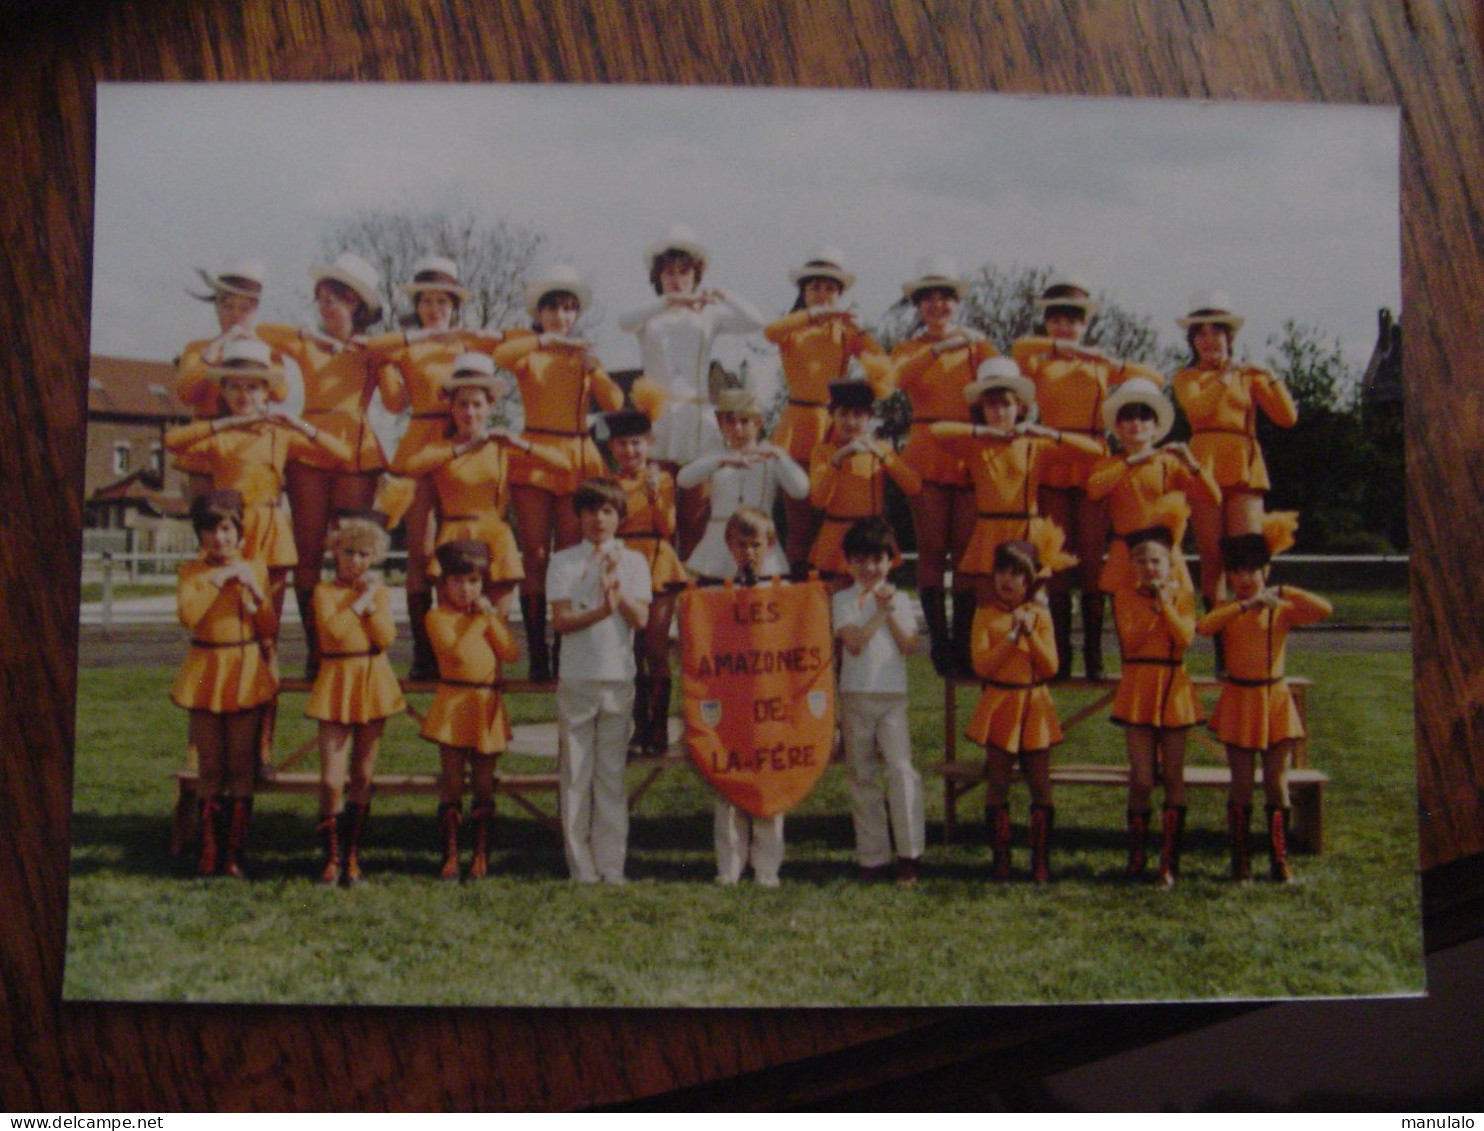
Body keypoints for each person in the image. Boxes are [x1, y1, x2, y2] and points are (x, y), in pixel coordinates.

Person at [370, 256, 531, 680]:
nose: (435, 309)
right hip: (423, 441)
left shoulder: (468, 346)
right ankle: (425, 654)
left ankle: (479, 650)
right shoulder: (410, 342)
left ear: (455, 305)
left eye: (443, 301)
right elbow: (372, 349)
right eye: (427, 301)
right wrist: (420, 335)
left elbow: (520, 340)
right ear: (418, 305)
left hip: (467, 441)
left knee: (466, 542)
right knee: (423, 553)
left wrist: (480, 333)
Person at [256, 252, 405, 679]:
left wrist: (383, 356)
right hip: (308, 451)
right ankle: (316, 647)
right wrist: (308, 335)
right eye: (320, 299)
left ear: (355, 303)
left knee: (351, 551)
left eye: (333, 299)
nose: (325, 307)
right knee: (306, 553)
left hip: (357, 453)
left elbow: (396, 403)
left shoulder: (372, 350)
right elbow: (264, 332)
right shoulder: (308, 341)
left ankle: (352, 641)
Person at [1012, 273, 1160, 679]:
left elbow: (1154, 379)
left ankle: (1094, 653)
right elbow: (1018, 348)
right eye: (1057, 319)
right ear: (1048, 323)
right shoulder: (1040, 362)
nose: (1065, 326)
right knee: (1055, 561)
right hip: (1054, 461)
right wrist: (1061, 346)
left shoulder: (1099, 365)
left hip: (1094, 459)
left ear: (1086, 323)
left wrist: (1115, 363)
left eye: (1073, 320)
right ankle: (1061, 653)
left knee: (1093, 561)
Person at [493, 264, 626, 682]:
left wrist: (596, 368)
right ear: (540, 313)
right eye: (552, 309)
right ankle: (538, 653)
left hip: (577, 454)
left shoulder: (582, 353)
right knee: (534, 554)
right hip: (534, 453)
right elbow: (500, 357)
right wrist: (543, 339)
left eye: (568, 310)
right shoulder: (527, 345)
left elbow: (615, 402)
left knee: (572, 553)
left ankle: (567, 642)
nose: (561, 317)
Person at [927, 358, 1098, 661]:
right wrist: (982, 432)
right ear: (982, 409)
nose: (999, 411)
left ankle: (1046, 663)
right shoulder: (975, 445)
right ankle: (982, 663)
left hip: (1026, 530)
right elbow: (937, 432)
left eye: (1006, 404)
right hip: (989, 530)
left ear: (1019, 407)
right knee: (989, 607)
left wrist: (1047, 432)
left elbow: (1093, 451)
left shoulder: (1035, 444)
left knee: (1033, 605)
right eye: (991, 405)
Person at [621, 224, 765, 557]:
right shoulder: (651, 315)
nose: (676, 279)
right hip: (659, 420)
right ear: (658, 276)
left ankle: (693, 595)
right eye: (669, 273)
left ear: (695, 275)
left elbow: (755, 322)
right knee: (659, 512)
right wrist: (668, 301)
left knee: (696, 515)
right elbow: (624, 322)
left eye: (684, 273)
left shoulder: (708, 315)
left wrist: (722, 295)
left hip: (698, 420)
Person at [1197, 528, 1331, 883]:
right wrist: (1244, 604)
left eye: (1251, 572)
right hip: (1240, 701)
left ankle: (1278, 859)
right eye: (1236, 572)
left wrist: (1283, 592)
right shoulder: (1229, 609)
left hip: (1274, 700)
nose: (1243, 579)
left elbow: (1324, 609)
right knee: (1240, 784)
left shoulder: (1281, 611)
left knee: (1276, 781)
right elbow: (1204, 627)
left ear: (1265, 572)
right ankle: (1240, 860)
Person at [890, 256, 999, 675]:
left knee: (969, 552)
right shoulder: (909, 348)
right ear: (918, 305)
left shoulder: (978, 344)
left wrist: (972, 343)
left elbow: (1004, 387)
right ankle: (939, 642)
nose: (937, 306)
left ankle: (965, 638)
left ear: (957, 303)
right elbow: (892, 381)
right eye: (928, 299)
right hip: (927, 447)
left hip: (970, 449)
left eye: (945, 298)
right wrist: (939, 347)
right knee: (933, 549)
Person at [400, 353, 568, 620]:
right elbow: (411, 466)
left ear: (490, 407)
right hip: (454, 537)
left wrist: (520, 444)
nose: (470, 413)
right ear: (452, 409)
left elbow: (563, 464)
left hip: (496, 538)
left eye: (477, 405)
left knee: (494, 626)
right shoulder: (441, 449)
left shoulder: (501, 448)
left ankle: (537, 660)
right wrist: (466, 447)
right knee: (455, 630)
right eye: (463, 405)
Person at [547, 478, 652, 884]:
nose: (598, 519)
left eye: (607, 511)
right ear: (579, 516)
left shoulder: (634, 561)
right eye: (590, 511)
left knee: (610, 774)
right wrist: (599, 611)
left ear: (620, 517)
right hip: (577, 677)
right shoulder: (564, 561)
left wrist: (617, 591)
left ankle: (611, 864)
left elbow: (640, 619)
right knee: (576, 774)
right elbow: (561, 621)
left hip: (617, 676)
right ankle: (581, 866)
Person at [1170, 291, 1298, 621]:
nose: (1209, 340)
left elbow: (1287, 417)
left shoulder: (1249, 376)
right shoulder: (1186, 377)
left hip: (1244, 464)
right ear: (1193, 340)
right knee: (1212, 556)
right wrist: (1226, 376)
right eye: (1201, 333)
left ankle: (1252, 632)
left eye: (1216, 332)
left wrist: (1267, 374)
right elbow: (1198, 409)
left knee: (1247, 554)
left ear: (1229, 336)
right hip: (1204, 466)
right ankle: (1219, 634)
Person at [171, 490, 279, 878]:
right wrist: (219, 579)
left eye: (227, 529)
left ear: (238, 532)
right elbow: (189, 615)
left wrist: (253, 591)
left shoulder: (256, 567)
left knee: (239, 764)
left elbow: (268, 627)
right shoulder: (191, 571)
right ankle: (208, 849)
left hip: (244, 665)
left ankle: (234, 851)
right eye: (210, 530)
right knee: (210, 764)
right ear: (199, 535)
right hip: (204, 664)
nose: (220, 538)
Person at [763, 246, 892, 567]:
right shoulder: (793, 327)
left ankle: (833, 591)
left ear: (839, 294)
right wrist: (812, 315)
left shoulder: (846, 332)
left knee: (833, 519)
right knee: (799, 526)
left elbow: (883, 369)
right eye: (815, 288)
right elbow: (770, 332)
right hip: (796, 427)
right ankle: (798, 595)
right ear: (804, 292)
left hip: (835, 426)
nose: (822, 295)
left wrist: (860, 330)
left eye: (830, 289)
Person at [304, 512, 405, 886]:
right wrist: (357, 607)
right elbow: (331, 634)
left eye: (364, 554)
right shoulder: (323, 592)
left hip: (372, 681)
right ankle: (329, 856)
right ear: (335, 553)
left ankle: (351, 857)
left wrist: (369, 605)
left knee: (362, 774)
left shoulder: (378, 592)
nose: (356, 561)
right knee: (332, 779)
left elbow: (386, 638)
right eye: (349, 553)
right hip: (336, 680)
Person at [421, 540, 522, 881]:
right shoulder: (437, 617)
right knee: (451, 781)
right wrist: (478, 622)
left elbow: (510, 653)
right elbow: (456, 654)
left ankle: (481, 854)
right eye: (458, 582)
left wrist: (492, 619)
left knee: (483, 782)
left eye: (474, 582)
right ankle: (450, 853)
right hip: (453, 703)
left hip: (486, 705)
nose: (466, 589)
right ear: (444, 585)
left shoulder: (486, 617)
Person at [832, 518, 925, 885]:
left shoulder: (902, 598)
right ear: (849, 562)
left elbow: (909, 645)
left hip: (892, 697)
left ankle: (909, 854)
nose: (869, 568)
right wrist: (879, 612)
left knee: (901, 771)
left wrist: (889, 610)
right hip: (855, 694)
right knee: (862, 776)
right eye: (860, 560)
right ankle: (873, 857)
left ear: (891, 560)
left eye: (877, 560)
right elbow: (853, 643)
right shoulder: (842, 599)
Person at [1109, 527, 1202, 886]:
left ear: (1170, 565)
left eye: (1156, 561)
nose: (1150, 568)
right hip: (1138, 687)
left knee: (1174, 775)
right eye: (1142, 561)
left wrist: (1165, 604)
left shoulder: (1184, 596)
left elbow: (1185, 637)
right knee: (1143, 778)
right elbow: (1131, 640)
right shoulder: (1124, 595)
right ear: (1132, 565)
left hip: (1173, 686)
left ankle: (1168, 861)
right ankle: (1136, 855)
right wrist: (1153, 607)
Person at [966, 540, 1061, 883]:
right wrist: (1010, 637)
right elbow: (982, 666)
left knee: (1040, 784)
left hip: (1034, 706)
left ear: (1029, 579)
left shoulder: (1041, 615)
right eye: (1001, 571)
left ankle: (1040, 860)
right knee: (998, 783)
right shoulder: (984, 614)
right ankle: (1001, 859)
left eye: (1017, 573)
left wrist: (1030, 632)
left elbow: (1050, 666)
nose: (1007, 580)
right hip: (1001, 704)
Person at [1084, 376, 1221, 600]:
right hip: (1125, 554)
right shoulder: (1109, 464)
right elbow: (1094, 489)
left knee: (1173, 627)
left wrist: (1192, 463)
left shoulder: (1170, 462)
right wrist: (1130, 462)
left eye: (1144, 416)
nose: (1136, 422)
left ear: (1156, 426)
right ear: (1118, 426)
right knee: (1129, 629)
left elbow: (1213, 497)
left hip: (1164, 556)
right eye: (1127, 416)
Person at [603, 410, 688, 758]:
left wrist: (654, 494)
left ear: (649, 444)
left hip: (657, 560)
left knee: (655, 648)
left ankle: (659, 727)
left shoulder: (663, 479)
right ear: (612, 447)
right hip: (624, 561)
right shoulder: (609, 483)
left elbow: (668, 527)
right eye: (621, 444)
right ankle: (638, 726)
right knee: (631, 652)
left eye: (636, 443)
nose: (629, 451)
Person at [711, 507, 788, 886]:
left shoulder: (784, 592)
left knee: (769, 781)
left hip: (772, 702)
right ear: (729, 546)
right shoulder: (717, 593)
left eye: (756, 544)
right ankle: (730, 864)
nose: (749, 551)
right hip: (732, 701)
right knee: (729, 780)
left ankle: (767, 866)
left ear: (769, 544)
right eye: (741, 544)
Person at [676, 387, 809, 581]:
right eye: (730, 421)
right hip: (717, 548)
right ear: (721, 424)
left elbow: (801, 490)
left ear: (758, 422)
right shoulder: (715, 456)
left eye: (744, 421)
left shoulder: (771, 457)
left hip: (760, 546)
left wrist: (778, 456)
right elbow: (684, 479)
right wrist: (722, 461)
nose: (737, 428)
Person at [806, 380, 921, 586]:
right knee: (837, 602)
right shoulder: (823, 452)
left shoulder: (880, 448)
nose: (850, 422)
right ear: (833, 416)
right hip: (836, 538)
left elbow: (913, 486)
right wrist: (838, 459)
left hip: (873, 536)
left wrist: (882, 456)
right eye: (843, 414)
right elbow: (819, 501)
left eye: (858, 415)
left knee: (872, 602)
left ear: (869, 418)